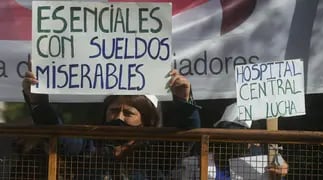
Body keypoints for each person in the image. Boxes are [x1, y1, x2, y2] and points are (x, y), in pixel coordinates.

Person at [21, 66, 201, 179]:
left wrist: (183, 101)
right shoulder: (89, 146)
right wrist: (38, 102)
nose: (119, 117)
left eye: (128, 113)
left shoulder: (157, 153)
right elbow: (57, 134)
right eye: (114, 111)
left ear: (146, 121)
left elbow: (186, 135)